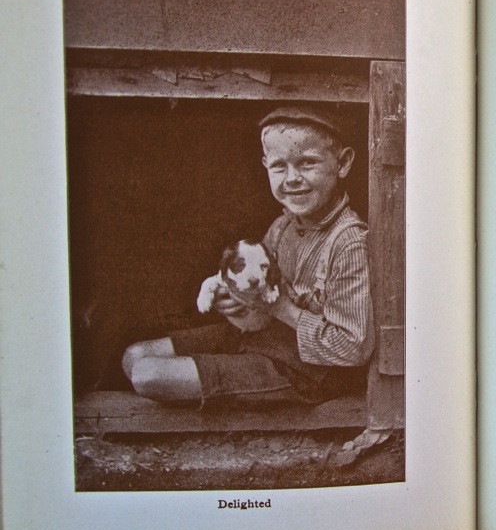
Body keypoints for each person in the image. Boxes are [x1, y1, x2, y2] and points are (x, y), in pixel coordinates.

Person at [122, 106, 374, 407]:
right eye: (279, 166)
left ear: (342, 162)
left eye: (307, 163)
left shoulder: (349, 242)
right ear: (265, 165)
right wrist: (234, 301)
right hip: (264, 337)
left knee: (148, 375)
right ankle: (213, 388)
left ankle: (223, 396)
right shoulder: (282, 226)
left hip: (305, 370)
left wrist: (281, 307)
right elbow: (257, 299)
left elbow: (354, 349)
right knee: (134, 356)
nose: (292, 178)